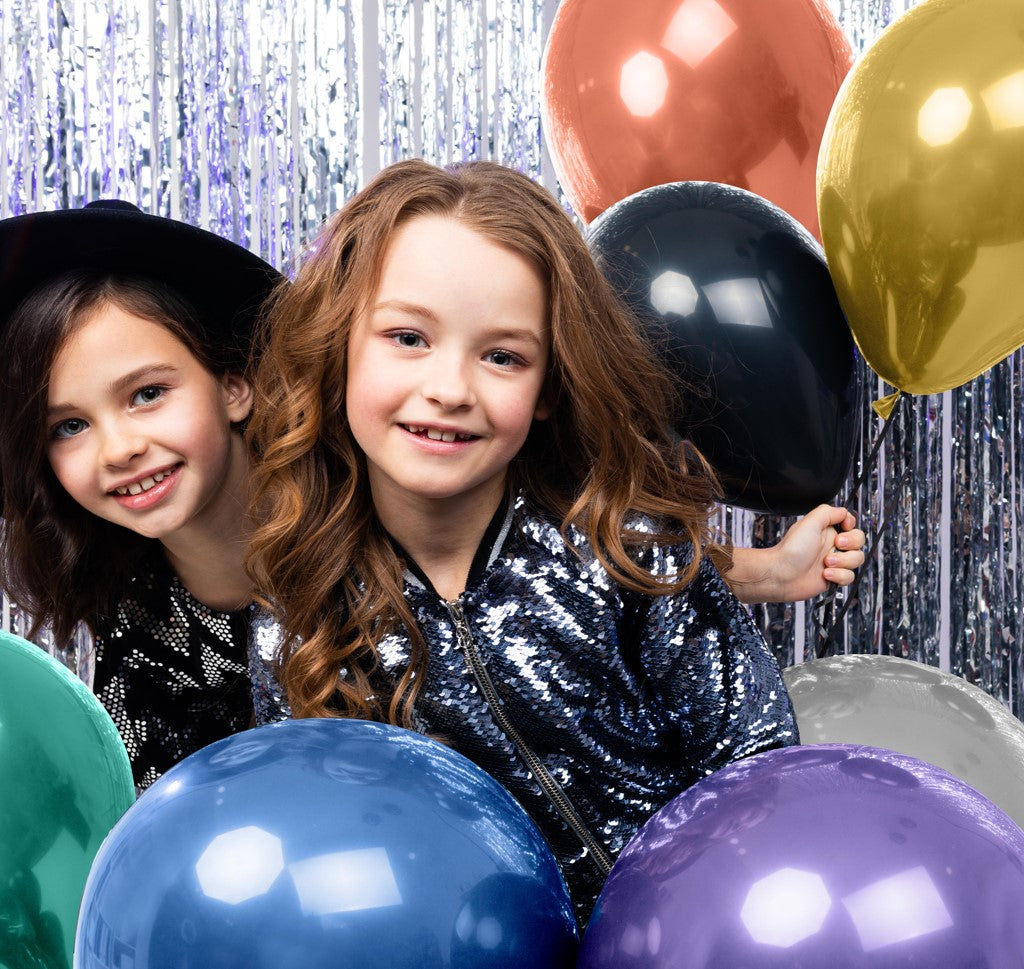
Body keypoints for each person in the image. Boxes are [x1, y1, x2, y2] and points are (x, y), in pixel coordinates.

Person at [246, 159, 865, 918]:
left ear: (546, 389)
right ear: (340, 344)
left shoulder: (630, 550)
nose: (449, 389)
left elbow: (755, 763)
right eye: (408, 337)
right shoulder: (301, 608)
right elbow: (315, 851)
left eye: (502, 356)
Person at [0, 201, 281, 791]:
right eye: (69, 426)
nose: (119, 449)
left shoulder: (374, 554)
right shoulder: (123, 625)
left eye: (147, 394)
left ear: (234, 386)